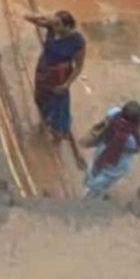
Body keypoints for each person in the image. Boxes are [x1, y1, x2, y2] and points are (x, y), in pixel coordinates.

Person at [30, 11, 86, 165]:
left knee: (59, 108)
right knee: (40, 98)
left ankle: (57, 137)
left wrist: (67, 84)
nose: (55, 26)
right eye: (54, 23)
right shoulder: (51, 28)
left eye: (58, 24)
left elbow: (79, 66)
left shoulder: (77, 41)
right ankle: (43, 121)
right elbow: (28, 17)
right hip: (43, 71)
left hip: (60, 77)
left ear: (67, 26)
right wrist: (46, 18)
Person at [82, 101, 140, 199]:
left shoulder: (114, 114)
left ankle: (88, 185)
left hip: (102, 149)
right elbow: (135, 148)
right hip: (117, 160)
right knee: (106, 178)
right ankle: (92, 194)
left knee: (95, 168)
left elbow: (110, 114)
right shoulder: (131, 138)